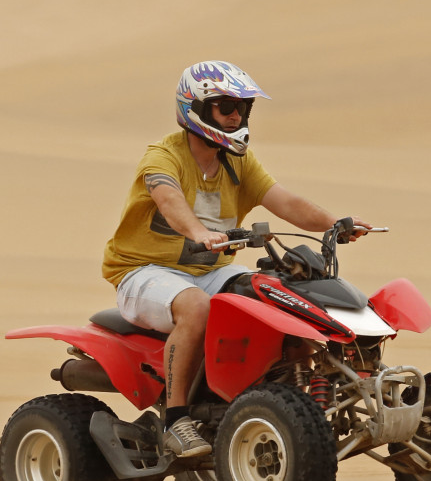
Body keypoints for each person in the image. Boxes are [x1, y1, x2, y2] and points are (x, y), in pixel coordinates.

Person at [103, 60, 370, 459]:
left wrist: (335, 223)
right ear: (195, 108)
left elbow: (286, 202)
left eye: (242, 108)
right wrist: (198, 232)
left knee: (278, 293)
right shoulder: (163, 157)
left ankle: (280, 402)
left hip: (209, 270)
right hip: (144, 272)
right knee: (196, 307)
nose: (235, 116)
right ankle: (176, 422)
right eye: (225, 106)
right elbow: (168, 199)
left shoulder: (238, 161)